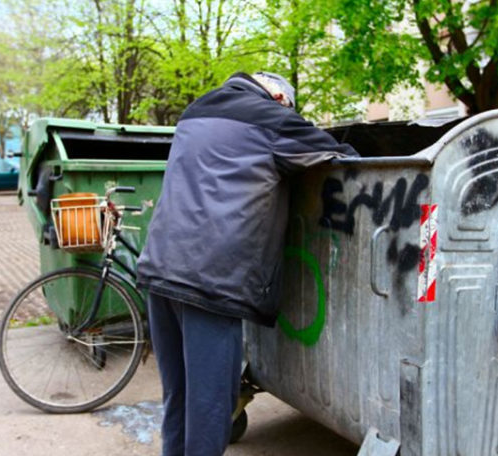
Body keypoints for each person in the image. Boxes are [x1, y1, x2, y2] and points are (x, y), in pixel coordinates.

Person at [136, 71, 358, 456]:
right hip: (210, 283)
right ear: (276, 95)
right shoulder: (271, 117)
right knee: (210, 408)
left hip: (159, 269)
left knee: (180, 397)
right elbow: (340, 155)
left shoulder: (196, 110)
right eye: (287, 104)